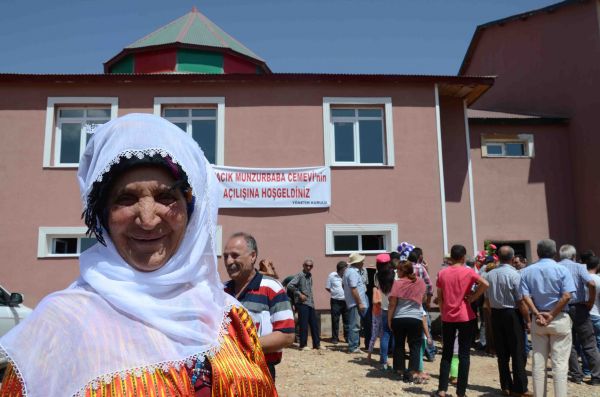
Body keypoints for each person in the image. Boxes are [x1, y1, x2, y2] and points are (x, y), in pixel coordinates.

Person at [0, 114, 277, 396]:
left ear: (190, 210)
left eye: (165, 197)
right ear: (103, 216)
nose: (147, 219)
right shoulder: (58, 326)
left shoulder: (226, 316)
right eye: (126, 199)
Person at [223, 232, 295, 380]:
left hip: (259, 374)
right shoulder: (220, 291)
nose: (229, 261)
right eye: (225, 256)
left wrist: (240, 346)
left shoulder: (272, 288)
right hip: (226, 373)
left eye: (235, 255)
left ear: (253, 256)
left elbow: (286, 335)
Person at [520, 239, 576, 397]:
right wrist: (551, 314)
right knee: (560, 365)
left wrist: (537, 313)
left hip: (539, 321)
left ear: (538, 252)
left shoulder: (527, 271)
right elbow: (567, 296)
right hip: (559, 318)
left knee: (538, 364)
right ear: (554, 252)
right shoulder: (562, 270)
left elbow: (525, 296)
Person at [433, 244, 489, 397]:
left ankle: (442, 390)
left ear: (451, 256)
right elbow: (485, 284)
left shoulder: (442, 273)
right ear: (464, 257)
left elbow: (440, 296)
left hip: (448, 317)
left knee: (446, 353)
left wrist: (443, 311)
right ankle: (461, 392)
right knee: (464, 354)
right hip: (465, 315)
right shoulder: (469, 271)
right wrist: (473, 297)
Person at [483, 246, 531, 397]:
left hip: (496, 314)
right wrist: (527, 320)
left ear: (497, 257)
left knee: (502, 352)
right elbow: (521, 301)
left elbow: (487, 300)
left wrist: (493, 315)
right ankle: (520, 388)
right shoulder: (515, 275)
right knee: (518, 351)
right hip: (512, 313)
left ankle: (506, 386)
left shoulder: (489, 275)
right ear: (512, 259)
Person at [557, 244, 600, 385]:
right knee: (589, 343)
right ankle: (596, 376)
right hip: (579, 307)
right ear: (574, 256)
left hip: (561, 308)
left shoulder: (555, 267)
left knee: (569, 343)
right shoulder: (579, 267)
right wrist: (590, 302)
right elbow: (591, 284)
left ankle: (576, 375)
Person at [388, 260, 427, 383]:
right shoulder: (420, 282)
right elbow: (424, 298)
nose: (396, 272)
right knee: (415, 345)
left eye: (398, 270)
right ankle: (412, 371)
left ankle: (399, 370)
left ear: (402, 271)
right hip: (415, 318)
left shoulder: (397, 283)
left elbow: (392, 304)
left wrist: (389, 319)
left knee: (399, 344)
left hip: (399, 317)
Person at [287, 259, 322, 350]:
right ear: (303, 265)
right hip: (302, 303)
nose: (308, 267)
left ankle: (317, 344)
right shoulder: (300, 275)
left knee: (314, 324)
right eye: (307, 265)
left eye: (310, 266)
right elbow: (290, 285)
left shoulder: (310, 275)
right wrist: (299, 294)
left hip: (310, 303)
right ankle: (303, 345)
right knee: (303, 324)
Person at [343, 252, 369, 353]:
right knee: (355, 325)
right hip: (355, 303)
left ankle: (354, 345)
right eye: (361, 261)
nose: (363, 262)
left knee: (355, 325)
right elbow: (353, 289)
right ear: (357, 262)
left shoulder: (349, 271)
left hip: (354, 302)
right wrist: (360, 303)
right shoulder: (353, 272)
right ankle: (353, 347)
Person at [326, 261, 349, 344]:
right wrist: (335, 293)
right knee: (335, 320)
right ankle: (335, 338)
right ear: (340, 269)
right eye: (345, 269)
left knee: (347, 320)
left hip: (346, 301)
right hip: (335, 301)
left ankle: (347, 338)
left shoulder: (347, 276)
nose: (346, 270)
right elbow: (328, 287)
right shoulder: (332, 275)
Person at [587, 256, 600, 350]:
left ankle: (587, 365)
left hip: (583, 314)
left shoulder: (581, 278)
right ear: (597, 265)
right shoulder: (598, 279)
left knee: (586, 342)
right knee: (598, 340)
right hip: (596, 313)